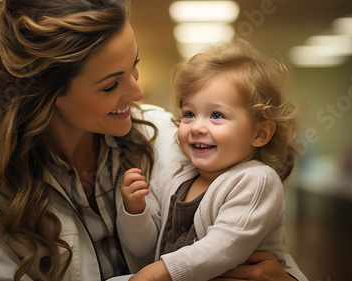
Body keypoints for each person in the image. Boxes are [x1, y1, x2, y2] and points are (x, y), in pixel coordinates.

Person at [0, 0, 308, 280]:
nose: (139, 93)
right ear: (43, 92)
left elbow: (267, 257)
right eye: (111, 84)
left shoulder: (166, 138)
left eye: (134, 67)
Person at [118, 39, 307, 281]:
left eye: (216, 115)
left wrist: (159, 272)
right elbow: (143, 247)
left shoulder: (257, 180)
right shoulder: (174, 175)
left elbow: (222, 249)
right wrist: (136, 211)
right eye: (189, 114)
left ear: (259, 134)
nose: (197, 126)